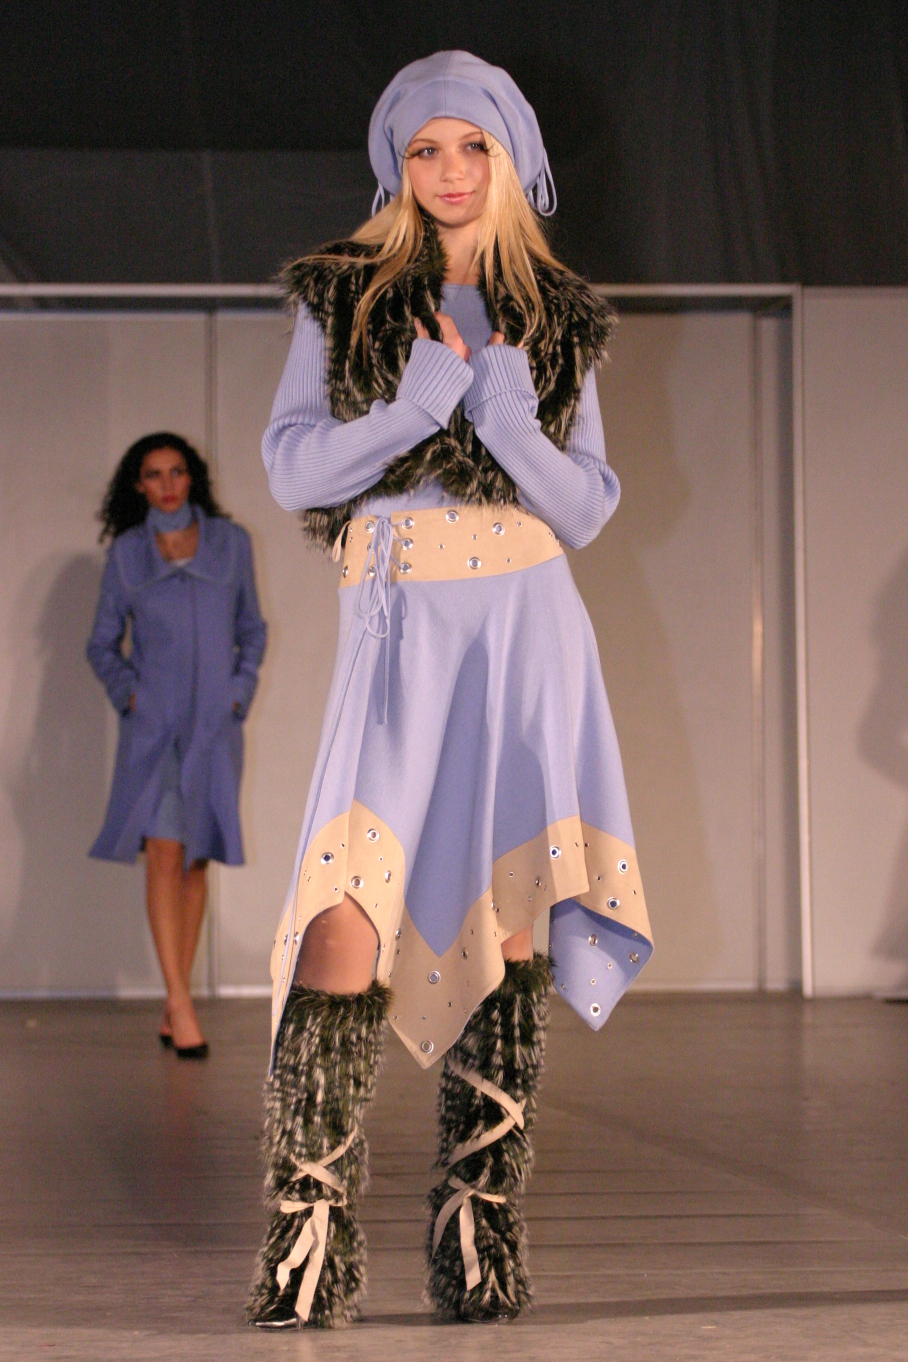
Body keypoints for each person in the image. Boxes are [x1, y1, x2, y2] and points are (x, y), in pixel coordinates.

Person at [247, 51, 653, 1328]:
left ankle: (478, 1242)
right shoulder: (343, 293)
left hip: (524, 628)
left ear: (508, 158)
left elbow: (584, 506)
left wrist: (511, 424)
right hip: (398, 629)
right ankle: (306, 1249)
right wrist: (412, 409)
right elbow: (293, 471)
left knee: (508, 917)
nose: (448, 170)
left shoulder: (558, 312)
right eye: (423, 148)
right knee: (340, 917)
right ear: (395, 165)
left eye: (470, 145)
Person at [87, 433, 266, 1058]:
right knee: (164, 851)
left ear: (193, 478)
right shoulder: (128, 555)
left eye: (177, 471)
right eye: (154, 474)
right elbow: (101, 644)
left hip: (215, 728)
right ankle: (182, 1004)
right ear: (138, 485)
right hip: (154, 731)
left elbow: (252, 629)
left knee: (195, 859)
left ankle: (174, 995)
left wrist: (237, 693)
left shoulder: (230, 544)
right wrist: (132, 696)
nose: (167, 485)